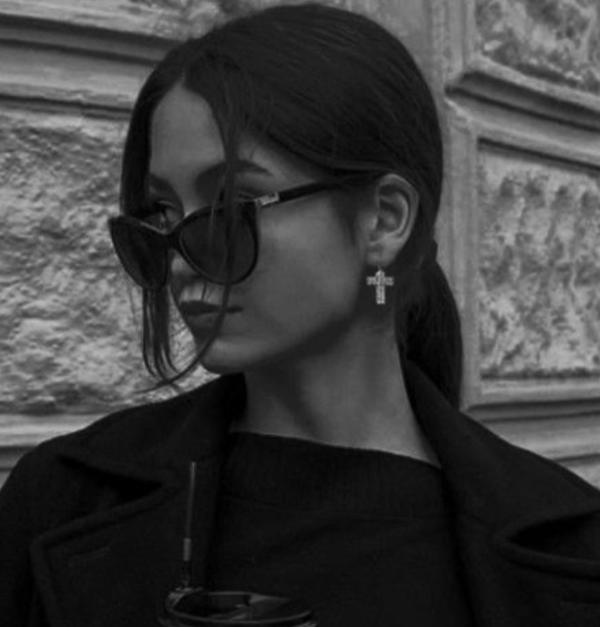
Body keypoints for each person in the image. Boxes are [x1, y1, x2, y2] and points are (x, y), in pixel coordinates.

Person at [2, 2, 600, 626]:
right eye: (162, 216)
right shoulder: (64, 500)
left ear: (385, 220)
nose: (181, 258)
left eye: (230, 205)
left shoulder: (571, 548)